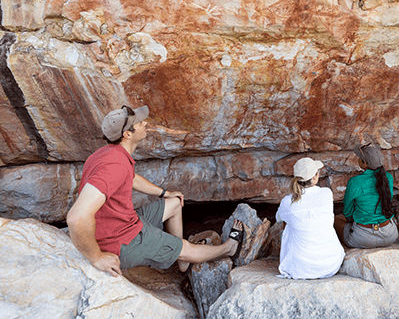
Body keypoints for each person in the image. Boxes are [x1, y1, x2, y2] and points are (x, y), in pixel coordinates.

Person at [66, 105, 244, 277]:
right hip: (121, 241)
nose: (145, 123)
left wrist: (164, 193)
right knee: (186, 248)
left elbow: (131, 177)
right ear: (127, 134)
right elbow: (76, 217)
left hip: (124, 222)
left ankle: (183, 263)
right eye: (139, 122)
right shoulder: (115, 165)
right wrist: (96, 258)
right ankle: (228, 249)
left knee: (175, 203)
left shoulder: (107, 153)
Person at [276, 157, 345, 279]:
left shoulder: (288, 201)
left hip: (301, 268)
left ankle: (291, 257)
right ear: (314, 177)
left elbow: (278, 218)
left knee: (289, 223)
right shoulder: (326, 194)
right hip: (330, 263)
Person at [336, 142, 399, 249]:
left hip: (363, 238)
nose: (358, 159)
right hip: (390, 235)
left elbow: (347, 210)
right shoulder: (388, 177)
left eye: (359, 158)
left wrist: (354, 222)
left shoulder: (355, 181)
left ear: (365, 164)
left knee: (337, 220)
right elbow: (388, 201)